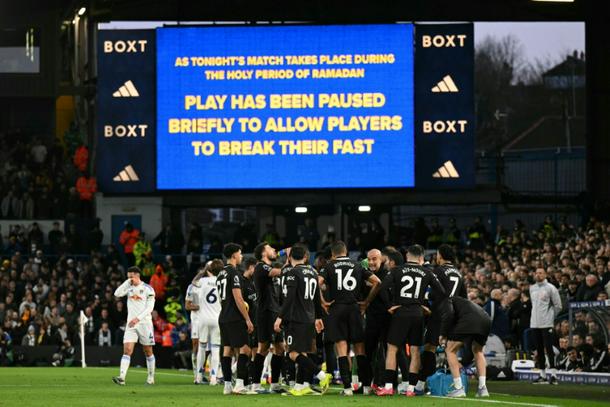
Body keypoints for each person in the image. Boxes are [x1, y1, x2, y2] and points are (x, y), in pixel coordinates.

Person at [376, 244, 445, 397]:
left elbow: (382, 287)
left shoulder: (397, 270)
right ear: (421, 257)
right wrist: (427, 307)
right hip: (417, 314)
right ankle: (411, 389)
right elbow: (441, 292)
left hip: (400, 313)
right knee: (415, 351)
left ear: (407, 256)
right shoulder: (427, 272)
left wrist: (390, 306)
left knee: (392, 349)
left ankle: (388, 386)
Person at [318, 241, 381, 396]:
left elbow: (316, 283)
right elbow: (377, 282)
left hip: (337, 308)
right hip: (354, 309)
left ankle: (347, 388)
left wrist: (323, 302)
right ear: (346, 252)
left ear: (333, 254)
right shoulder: (357, 265)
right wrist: (366, 302)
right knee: (360, 348)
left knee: (341, 348)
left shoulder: (329, 266)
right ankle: (366, 386)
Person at [273, 244, 332, 396]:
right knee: (303, 353)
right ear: (305, 257)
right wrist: (318, 317)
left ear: (290, 256)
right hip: (309, 318)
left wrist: (280, 317)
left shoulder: (293, 272)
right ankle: (300, 386)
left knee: (292, 353)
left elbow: (289, 298)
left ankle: (322, 376)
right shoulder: (312, 272)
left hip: (296, 318)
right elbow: (316, 298)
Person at [419, 244, 466, 394]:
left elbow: (435, 292)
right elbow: (463, 297)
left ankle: (422, 383)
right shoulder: (459, 273)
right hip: (453, 314)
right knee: (450, 350)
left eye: (437, 254)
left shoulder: (438, 271)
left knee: (429, 347)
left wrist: (427, 297)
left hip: (439, 313)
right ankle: (457, 384)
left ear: (441, 255)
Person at [217, 243, 253, 395]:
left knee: (227, 350)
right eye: (240, 253)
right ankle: (239, 384)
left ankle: (227, 386)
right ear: (233, 255)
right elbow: (238, 298)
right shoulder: (234, 273)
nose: (241, 256)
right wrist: (247, 319)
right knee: (245, 349)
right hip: (234, 317)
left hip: (223, 316)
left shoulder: (220, 274)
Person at [439, 296, 492, 398]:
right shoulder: (462, 302)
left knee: (450, 350)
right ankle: (483, 388)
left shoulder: (446, 300)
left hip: (470, 319)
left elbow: (449, 316)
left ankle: (458, 388)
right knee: (478, 351)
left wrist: (443, 334)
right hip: (486, 319)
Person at [112, 266, 156, 386]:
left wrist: (138, 319)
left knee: (148, 351)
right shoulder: (129, 287)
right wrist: (127, 282)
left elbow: (150, 308)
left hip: (144, 324)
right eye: (128, 277)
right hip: (131, 324)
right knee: (127, 350)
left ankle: (151, 378)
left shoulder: (148, 289)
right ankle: (122, 378)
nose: (130, 279)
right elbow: (117, 293)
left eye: (131, 277)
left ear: (137, 275)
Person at [251, 242, 285, 393]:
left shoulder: (268, 267)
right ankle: (255, 384)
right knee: (263, 348)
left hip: (274, 311)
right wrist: (290, 265)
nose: (274, 250)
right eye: (270, 248)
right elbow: (276, 272)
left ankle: (275, 384)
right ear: (263, 253)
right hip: (265, 312)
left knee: (280, 347)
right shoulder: (261, 266)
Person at [530, 268, 562, 385]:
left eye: (541, 273)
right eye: (536, 273)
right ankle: (542, 375)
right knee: (539, 349)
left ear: (545, 274)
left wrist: (550, 317)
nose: (538, 275)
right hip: (534, 323)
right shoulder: (532, 288)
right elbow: (534, 305)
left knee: (549, 348)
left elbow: (558, 306)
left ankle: (553, 375)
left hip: (546, 323)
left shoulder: (551, 288)